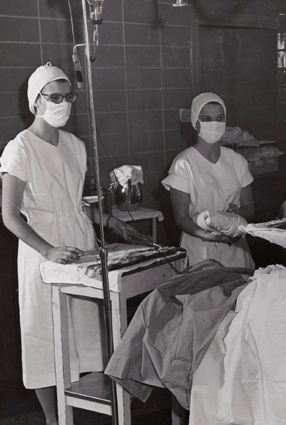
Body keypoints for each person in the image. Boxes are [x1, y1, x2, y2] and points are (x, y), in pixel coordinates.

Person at [0, 63, 141, 425]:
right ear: (36, 103)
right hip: (42, 250)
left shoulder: (75, 146)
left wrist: (110, 222)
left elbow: (75, 205)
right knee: (46, 336)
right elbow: (10, 216)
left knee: (85, 332)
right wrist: (49, 250)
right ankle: (53, 419)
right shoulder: (19, 149)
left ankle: (85, 414)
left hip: (79, 243)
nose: (63, 103)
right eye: (55, 97)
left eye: (68, 97)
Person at [162, 93, 255, 269]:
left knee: (240, 293)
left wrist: (238, 213)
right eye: (207, 118)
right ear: (195, 123)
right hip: (200, 247)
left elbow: (250, 210)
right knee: (207, 294)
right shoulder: (184, 163)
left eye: (220, 118)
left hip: (235, 246)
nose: (214, 124)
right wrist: (205, 235)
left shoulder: (237, 161)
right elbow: (181, 218)